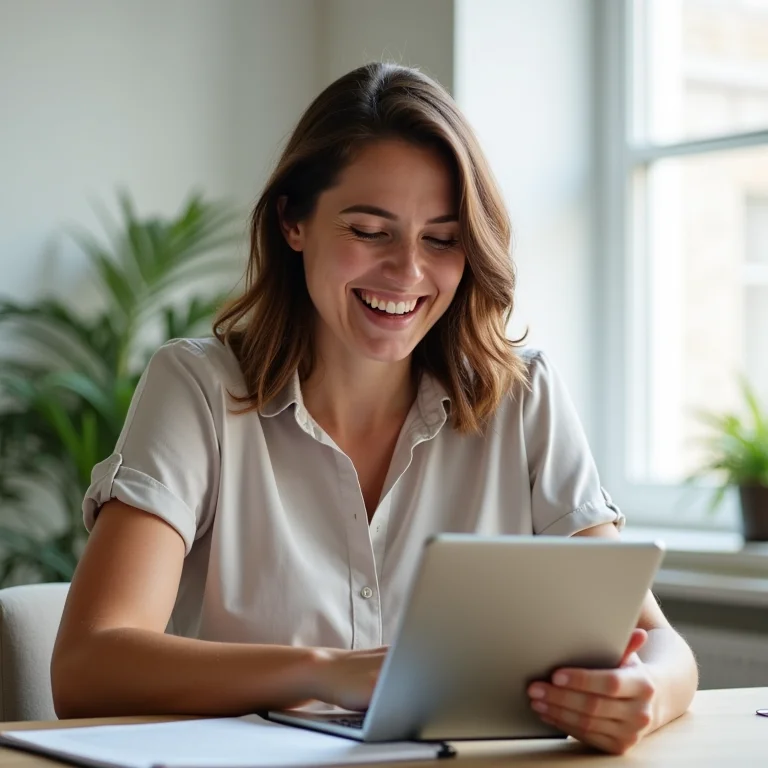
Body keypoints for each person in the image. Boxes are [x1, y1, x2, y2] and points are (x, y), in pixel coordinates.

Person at [51, 62, 697, 755]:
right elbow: (89, 667)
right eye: (369, 230)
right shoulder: (199, 388)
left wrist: (647, 695)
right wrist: (329, 673)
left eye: (442, 239)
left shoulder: (522, 396)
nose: (407, 272)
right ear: (293, 222)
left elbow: (661, 646)